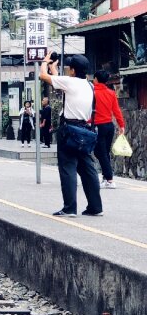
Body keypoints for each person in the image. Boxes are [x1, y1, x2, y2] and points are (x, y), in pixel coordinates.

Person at [40, 53, 102, 217]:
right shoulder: (89, 85)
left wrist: (45, 62)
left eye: (69, 68)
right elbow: (59, 81)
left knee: (68, 168)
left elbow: (43, 76)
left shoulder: (70, 82)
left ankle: (70, 208)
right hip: (84, 131)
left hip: (69, 130)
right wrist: (54, 68)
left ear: (73, 70)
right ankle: (96, 207)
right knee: (88, 169)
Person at [92, 70, 125, 189]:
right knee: (104, 152)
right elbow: (116, 110)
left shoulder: (92, 92)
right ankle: (106, 178)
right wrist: (121, 125)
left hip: (97, 126)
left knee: (100, 152)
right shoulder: (111, 92)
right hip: (109, 126)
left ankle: (110, 180)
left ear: (96, 79)